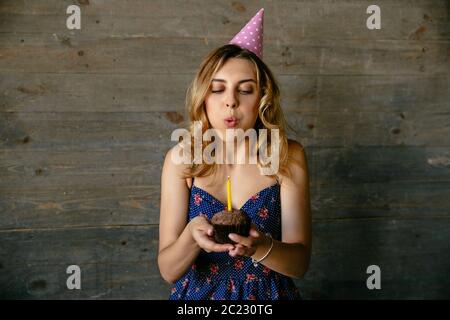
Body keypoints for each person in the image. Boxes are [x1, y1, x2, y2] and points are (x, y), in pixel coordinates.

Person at [158, 8, 311, 300]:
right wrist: (192, 237)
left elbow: (300, 264)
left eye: (245, 90)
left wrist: (261, 247)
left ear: (262, 98)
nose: (230, 102)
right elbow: (168, 270)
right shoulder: (181, 160)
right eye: (218, 89)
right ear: (203, 97)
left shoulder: (287, 156)